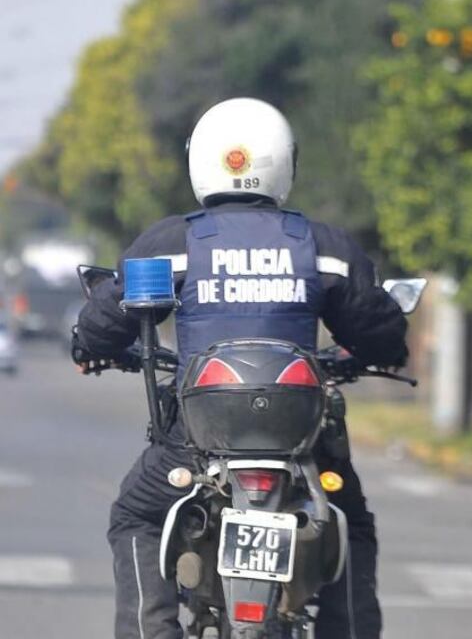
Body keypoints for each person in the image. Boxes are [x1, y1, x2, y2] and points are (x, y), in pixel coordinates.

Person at [72, 97, 407, 639]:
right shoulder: (323, 247)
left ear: (198, 161)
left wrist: (88, 347)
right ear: (285, 163)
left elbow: (108, 321)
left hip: (195, 446)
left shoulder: (172, 244)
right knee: (350, 523)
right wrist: (381, 355)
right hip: (302, 445)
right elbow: (378, 331)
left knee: (137, 515)